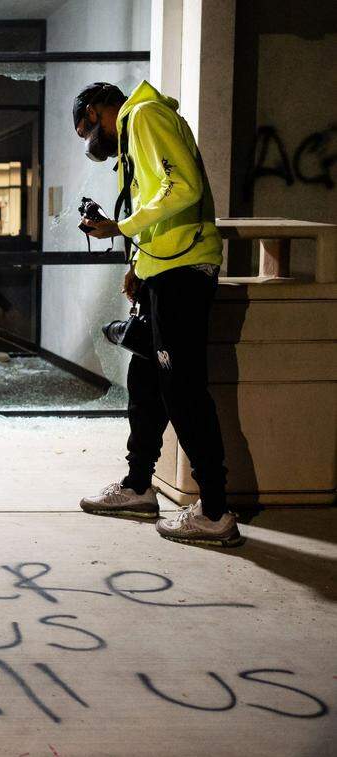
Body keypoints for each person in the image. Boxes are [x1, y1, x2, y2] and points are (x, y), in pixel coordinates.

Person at [72, 80, 240, 548]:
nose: (92, 143)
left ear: (96, 110)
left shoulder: (144, 116)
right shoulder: (135, 128)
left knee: (183, 389)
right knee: (146, 382)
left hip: (183, 270)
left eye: (88, 132)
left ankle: (215, 511)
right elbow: (158, 202)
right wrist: (137, 265)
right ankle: (138, 487)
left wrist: (121, 227)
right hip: (162, 268)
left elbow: (181, 186)